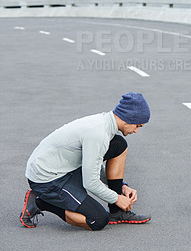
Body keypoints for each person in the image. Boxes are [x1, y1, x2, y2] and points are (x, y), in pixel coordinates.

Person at [19, 92, 151, 231]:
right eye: (138, 126)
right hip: (47, 179)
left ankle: (116, 212)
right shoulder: (98, 133)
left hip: (64, 167)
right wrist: (116, 198)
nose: (136, 131)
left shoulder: (105, 123)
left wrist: (121, 186)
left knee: (118, 144)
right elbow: (90, 182)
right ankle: (41, 202)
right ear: (128, 119)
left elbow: (94, 163)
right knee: (98, 220)